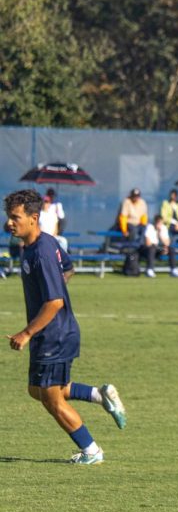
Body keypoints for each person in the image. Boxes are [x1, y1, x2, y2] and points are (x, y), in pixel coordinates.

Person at [4, 189, 127, 465]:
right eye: (8, 217)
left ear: (34, 218)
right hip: (48, 333)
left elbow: (56, 302)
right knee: (36, 390)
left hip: (54, 336)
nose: (9, 223)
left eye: (15, 217)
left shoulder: (42, 253)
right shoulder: (38, 244)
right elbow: (68, 269)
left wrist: (27, 332)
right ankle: (100, 394)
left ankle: (91, 451)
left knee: (52, 400)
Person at [141, 214, 178, 279]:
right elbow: (147, 243)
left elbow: (167, 242)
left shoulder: (163, 228)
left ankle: (173, 270)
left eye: (161, 223)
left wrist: (160, 235)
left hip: (159, 248)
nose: (160, 225)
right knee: (152, 248)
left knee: (171, 249)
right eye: (158, 223)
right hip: (147, 249)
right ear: (155, 222)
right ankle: (150, 270)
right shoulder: (149, 227)